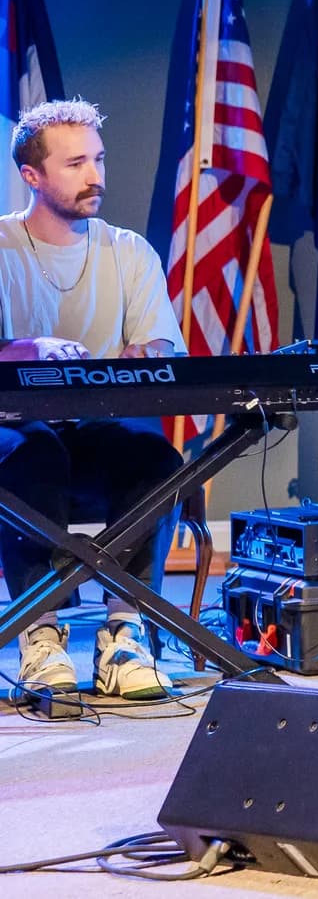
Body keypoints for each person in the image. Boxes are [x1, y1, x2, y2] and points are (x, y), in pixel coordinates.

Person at [0, 99, 186, 701]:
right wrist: (25, 348)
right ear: (32, 175)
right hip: (12, 435)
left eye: (99, 159)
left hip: (89, 429)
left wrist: (148, 351)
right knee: (34, 452)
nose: (95, 175)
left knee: (154, 459)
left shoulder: (128, 251)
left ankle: (124, 633)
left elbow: (161, 342)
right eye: (76, 162)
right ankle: (40, 632)